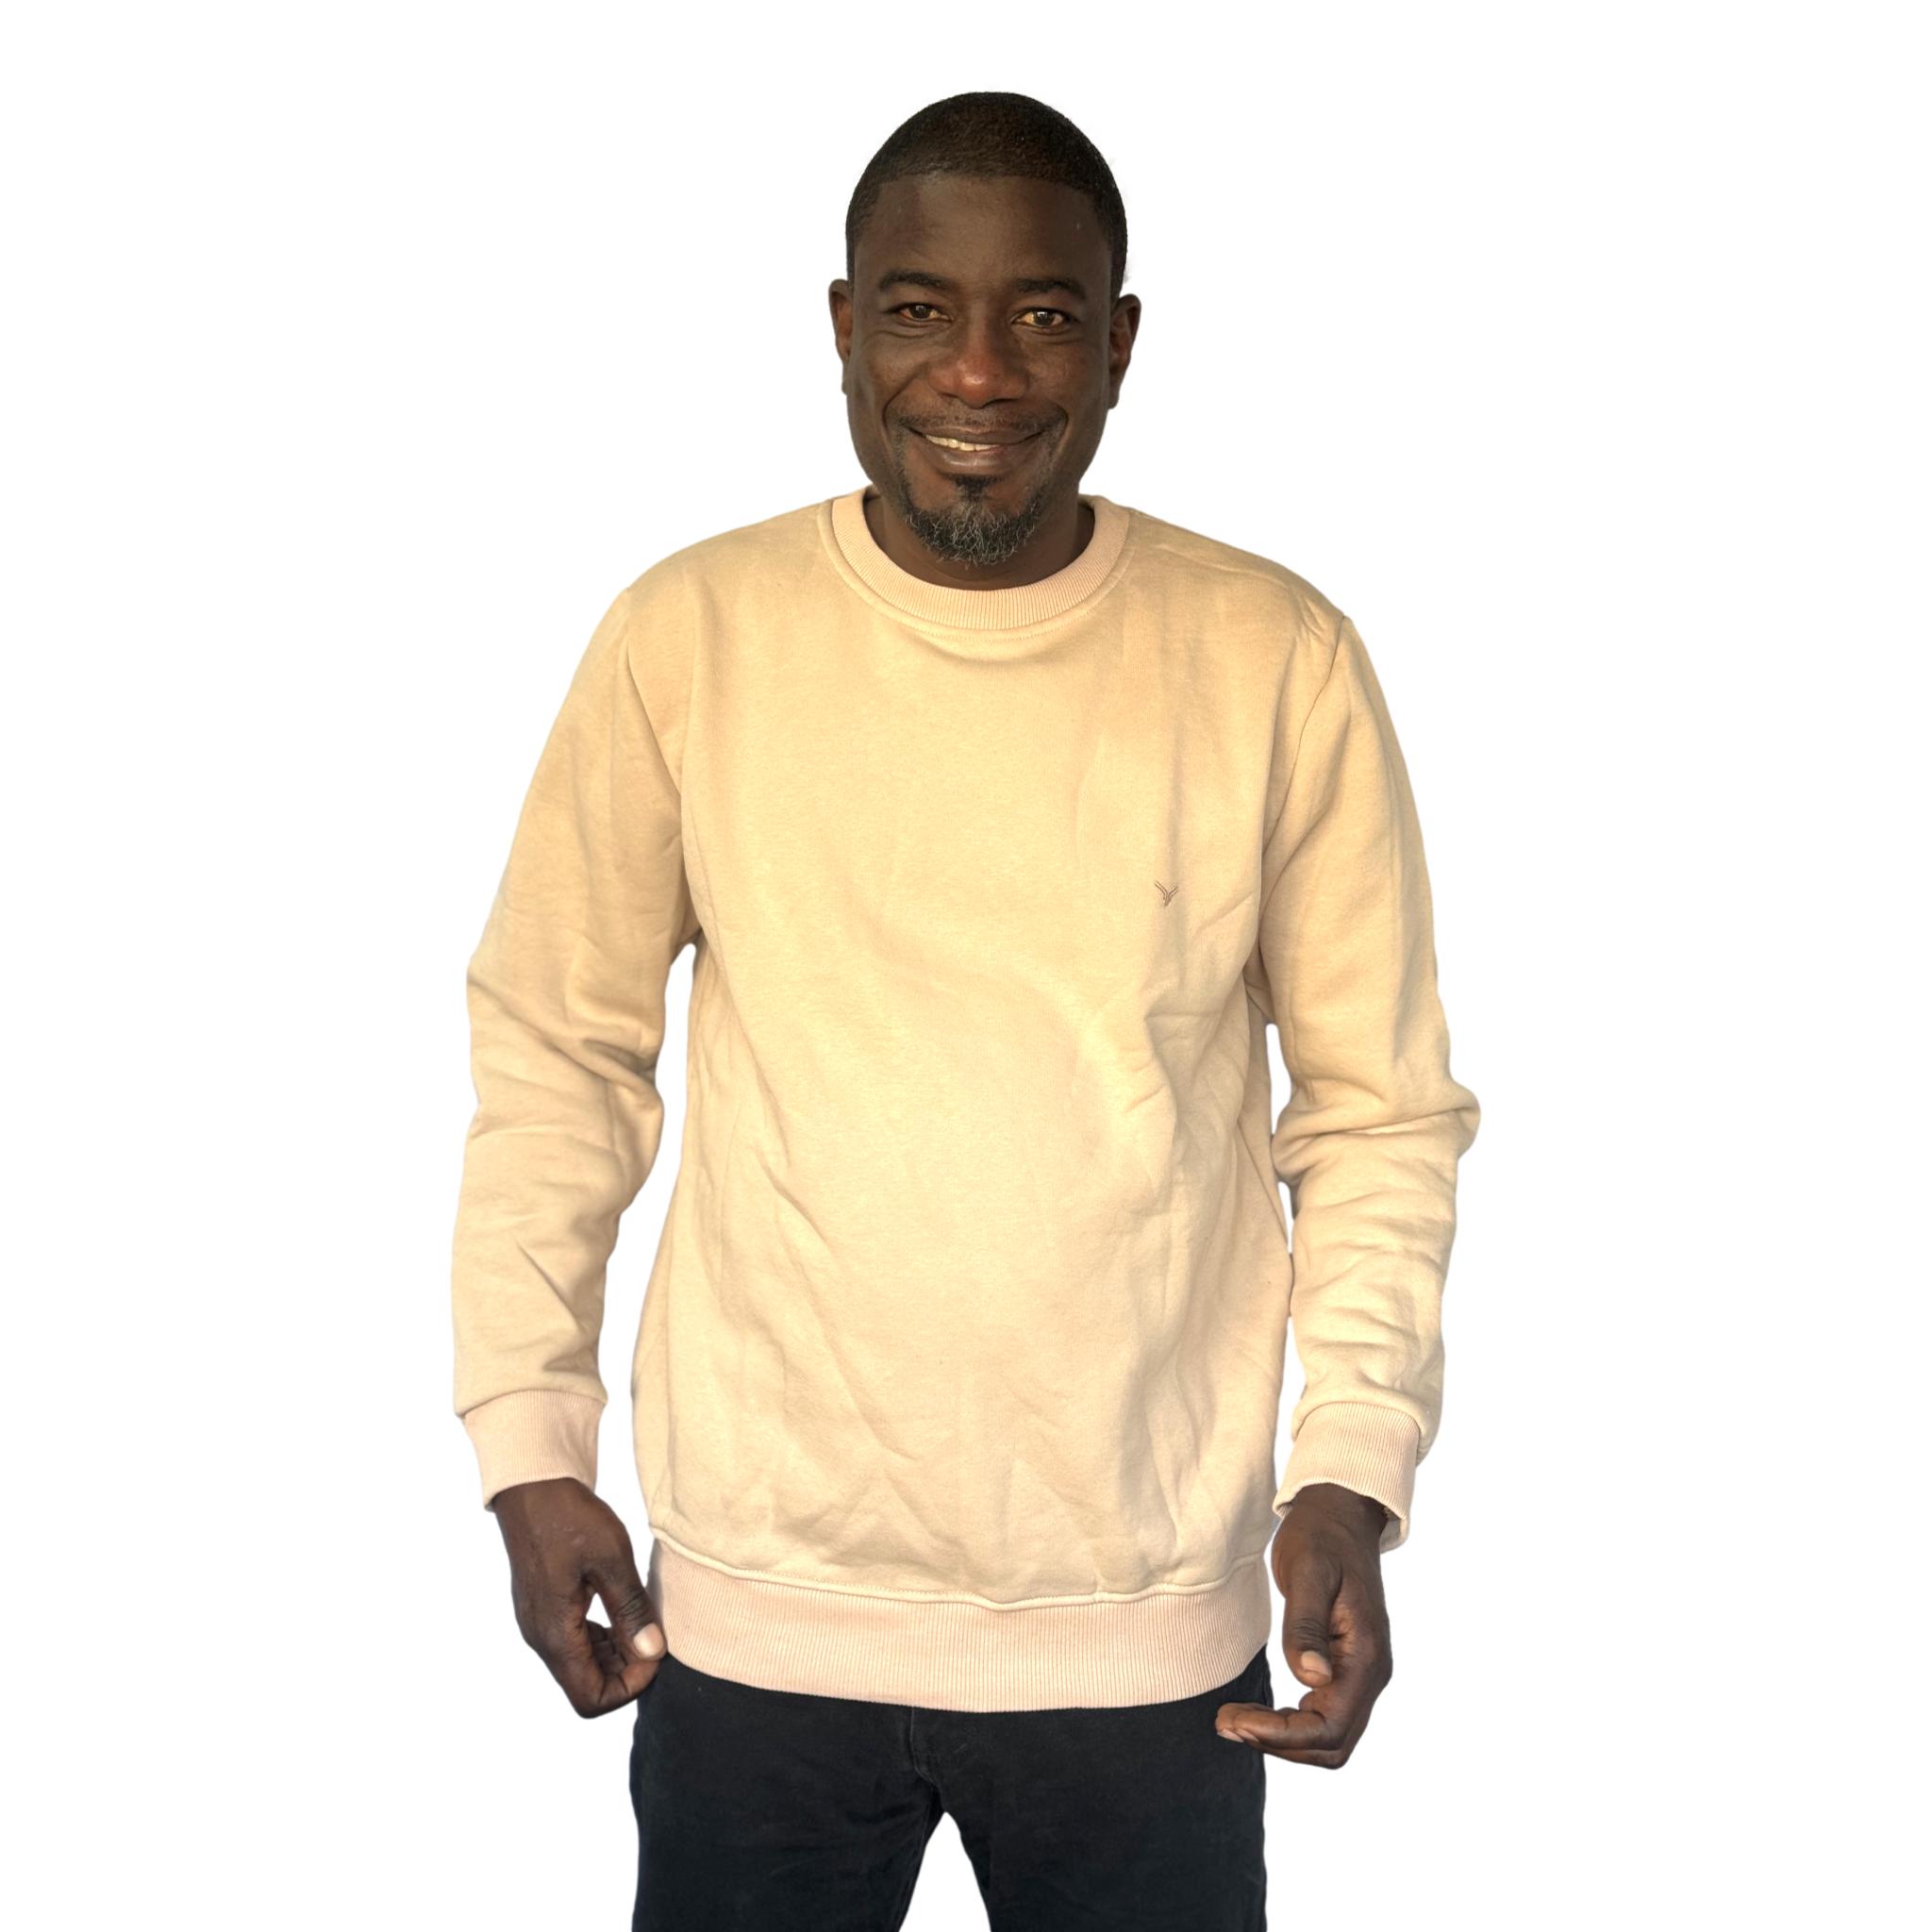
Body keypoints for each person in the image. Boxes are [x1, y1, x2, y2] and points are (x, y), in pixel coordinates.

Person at [450, 90, 1481, 1932]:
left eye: (1045, 314)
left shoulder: (1271, 655)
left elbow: (1374, 1110)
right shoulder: (690, 635)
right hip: (756, 1615)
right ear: (846, 327)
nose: (982, 371)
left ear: (1122, 342)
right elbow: (560, 1056)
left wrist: (1351, 1468)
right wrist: (528, 1440)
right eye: (922, 310)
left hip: (1145, 1633)